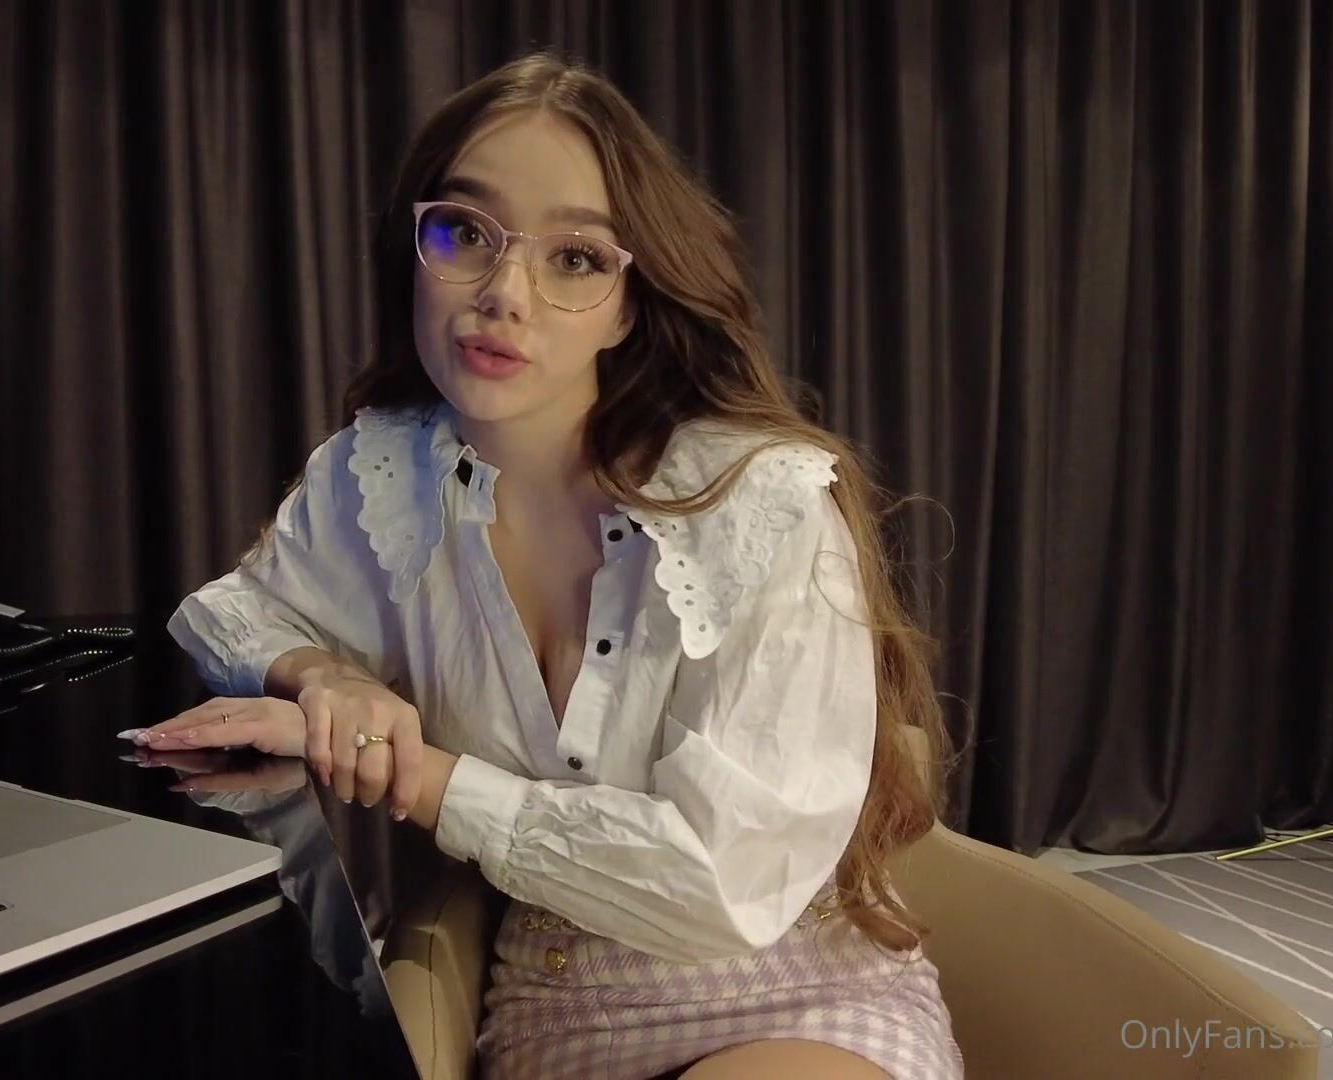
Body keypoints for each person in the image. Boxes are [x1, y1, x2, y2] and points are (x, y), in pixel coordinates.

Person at [126, 48, 963, 1080]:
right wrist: (325, 675)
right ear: (415, 249)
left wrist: (425, 778)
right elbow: (227, 615)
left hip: (798, 989)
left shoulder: (760, 504)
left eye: (574, 258)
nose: (503, 293)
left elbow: (725, 887)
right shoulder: (382, 476)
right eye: (465, 233)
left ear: (628, 303)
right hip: (555, 1002)